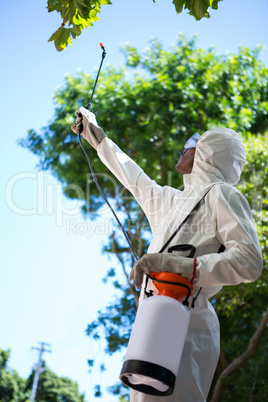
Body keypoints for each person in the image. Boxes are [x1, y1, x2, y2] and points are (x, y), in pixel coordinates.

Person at [71, 107, 263, 401]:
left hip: (188, 321)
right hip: (153, 317)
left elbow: (249, 261)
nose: (181, 150)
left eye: (189, 145)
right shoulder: (173, 202)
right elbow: (134, 178)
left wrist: (175, 264)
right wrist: (97, 138)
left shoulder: (222, 194)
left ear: (207, 154)